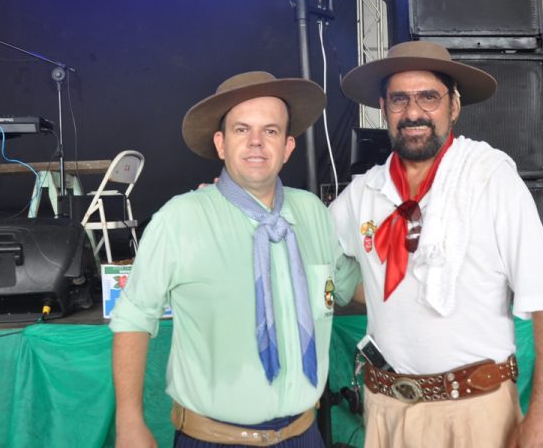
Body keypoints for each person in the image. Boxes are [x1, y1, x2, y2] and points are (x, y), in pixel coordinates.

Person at [328, 41, 543, 448]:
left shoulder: (491, 179)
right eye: (399, 99)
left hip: (475, 411)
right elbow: (312, 247)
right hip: (387, 411)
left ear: (453, 106)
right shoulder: (364, 192)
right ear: (384, 108)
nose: (413, 113)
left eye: (429, 97)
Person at [109, 71, 360, 448]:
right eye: (242, 129)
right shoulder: (180, 218)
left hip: (304, 435)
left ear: (288, 147)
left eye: (270, 131)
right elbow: (133, 317)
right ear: (221, 143)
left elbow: (350, 286)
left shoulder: (313, 213)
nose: (256, 142)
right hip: (213, 439)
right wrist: (129, 422)